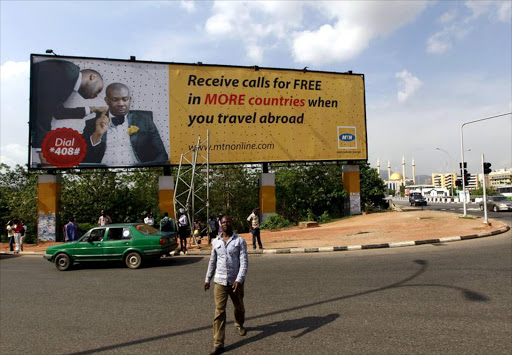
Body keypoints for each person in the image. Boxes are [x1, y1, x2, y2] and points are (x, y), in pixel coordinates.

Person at [81, 83, 168, 165]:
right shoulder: (92, 124)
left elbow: (162, 155)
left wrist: (146, 169)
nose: (121, 104)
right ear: (106, 100)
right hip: (104, 173)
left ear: (130, 99)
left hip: (138, 172)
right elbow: (85, 159)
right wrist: (97, 135)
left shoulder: (144, 120)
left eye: (125, 99)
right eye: (115, 100)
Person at [31, 59, 106, 153]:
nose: (96, 96)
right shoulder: (68, 72)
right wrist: (41, 146)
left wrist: (91, 109)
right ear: (92, 77)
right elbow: (45, 108)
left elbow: (57, 112)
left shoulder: (69, 79)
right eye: (98, 90)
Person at [205, 215, 249, 355]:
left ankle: (239, 324)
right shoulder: (215, 242)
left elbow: (244, 263)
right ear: (220, 224)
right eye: (223, 222)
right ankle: (218, 343)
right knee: (219, 312)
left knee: (239, 307)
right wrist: (207, 279)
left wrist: (239, 279)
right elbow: (212, 262)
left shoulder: (239, 241)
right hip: (220, 281)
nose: (225, 224)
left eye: (228, 221)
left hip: (236, 281)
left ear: (231, 223)